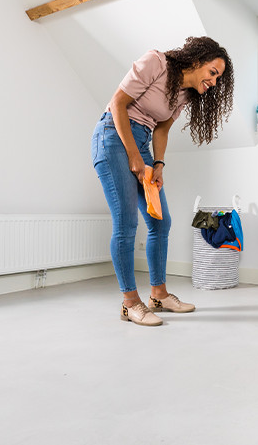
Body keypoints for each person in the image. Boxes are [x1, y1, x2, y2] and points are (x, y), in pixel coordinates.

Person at [91, 37, 234, 326]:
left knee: (160, 222)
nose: (215, 82)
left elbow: (162, 129)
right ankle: (130, 303)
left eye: (219, 78)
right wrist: (133, 155)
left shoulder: (186, 94)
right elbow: (118, 103)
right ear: (197, 61)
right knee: (127, 222)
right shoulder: (156, 62)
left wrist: (158, 163)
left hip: (141, 144)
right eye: (213, 73)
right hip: (112, 137)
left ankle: (159, 294)